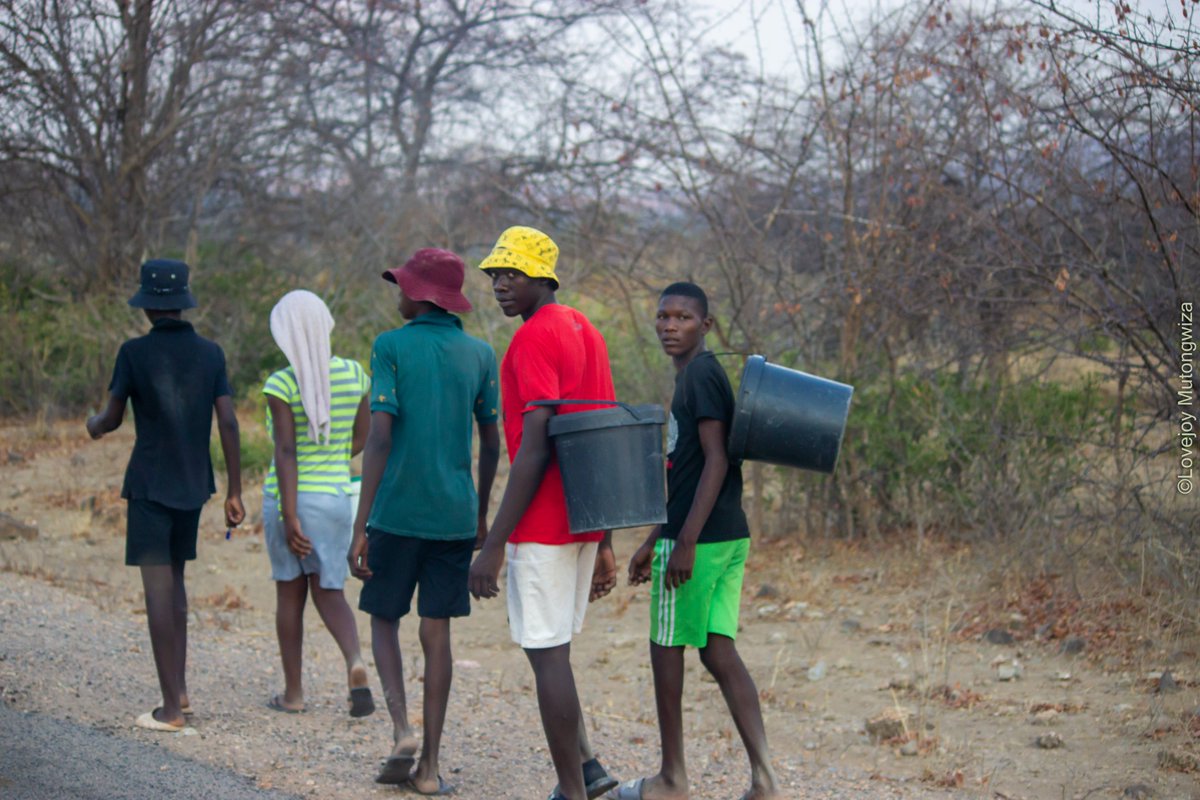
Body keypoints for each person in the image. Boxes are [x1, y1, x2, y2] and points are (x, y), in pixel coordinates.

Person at [467, 226, 620, 800]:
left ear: (542, 277)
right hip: (581, 520)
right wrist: (602, 537)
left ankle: (570, 790)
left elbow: (537, 444)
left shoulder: (533, 338)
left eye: (512, 275)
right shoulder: (587, 329)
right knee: (554, 648)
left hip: (544, 525)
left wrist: (494, 544)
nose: (500, 286)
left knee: (545, 654)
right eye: (495, 276)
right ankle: (588, 768)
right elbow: (599, 436)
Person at [614, 282, 780, 800]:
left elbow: (716, 459)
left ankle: (671, 779)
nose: (670, 326)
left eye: (683, 318)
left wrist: (682, 543)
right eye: (663, 317)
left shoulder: (700, 377)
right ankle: (765, 779)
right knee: (716, 649)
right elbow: (684, 471)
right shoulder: (695, 375)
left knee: (666, 645)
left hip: (701, 540)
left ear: (705, 326)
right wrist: (654, 537)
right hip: (728, 534)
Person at [348, 248, 501, 794]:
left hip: (397, 511)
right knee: (437, 633)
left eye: (402, 286)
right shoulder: (481, 354)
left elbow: (380, 436)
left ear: (419, 295)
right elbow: (492, 443)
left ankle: (401, 729)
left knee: (384, 617)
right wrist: (480, 514)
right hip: (454, 517)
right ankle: (430, 770)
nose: (397, 294)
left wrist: (361, 524)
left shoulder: (390, 346)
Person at [86, 258, 244, 732]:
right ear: (182, 302)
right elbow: (230, 422)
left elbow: (112, 418)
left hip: (151, 486)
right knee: (175, 586)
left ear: (148, 306)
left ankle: (171, 711)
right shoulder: (211, 353)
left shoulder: (133, 353)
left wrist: (94, 425)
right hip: (195, 484)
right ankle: (181, 692)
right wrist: (235, 489)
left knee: (158, 590)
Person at [260, 289, 374, 717]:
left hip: (289, 499)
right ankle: (355, 662)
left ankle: (294, 694)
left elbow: (285, 452)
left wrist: (290, 515)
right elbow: (362, 438)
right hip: (336, 499)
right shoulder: (354, 375)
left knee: (290, 594)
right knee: (330, 589)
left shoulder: (281, 383)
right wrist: (329, 461)